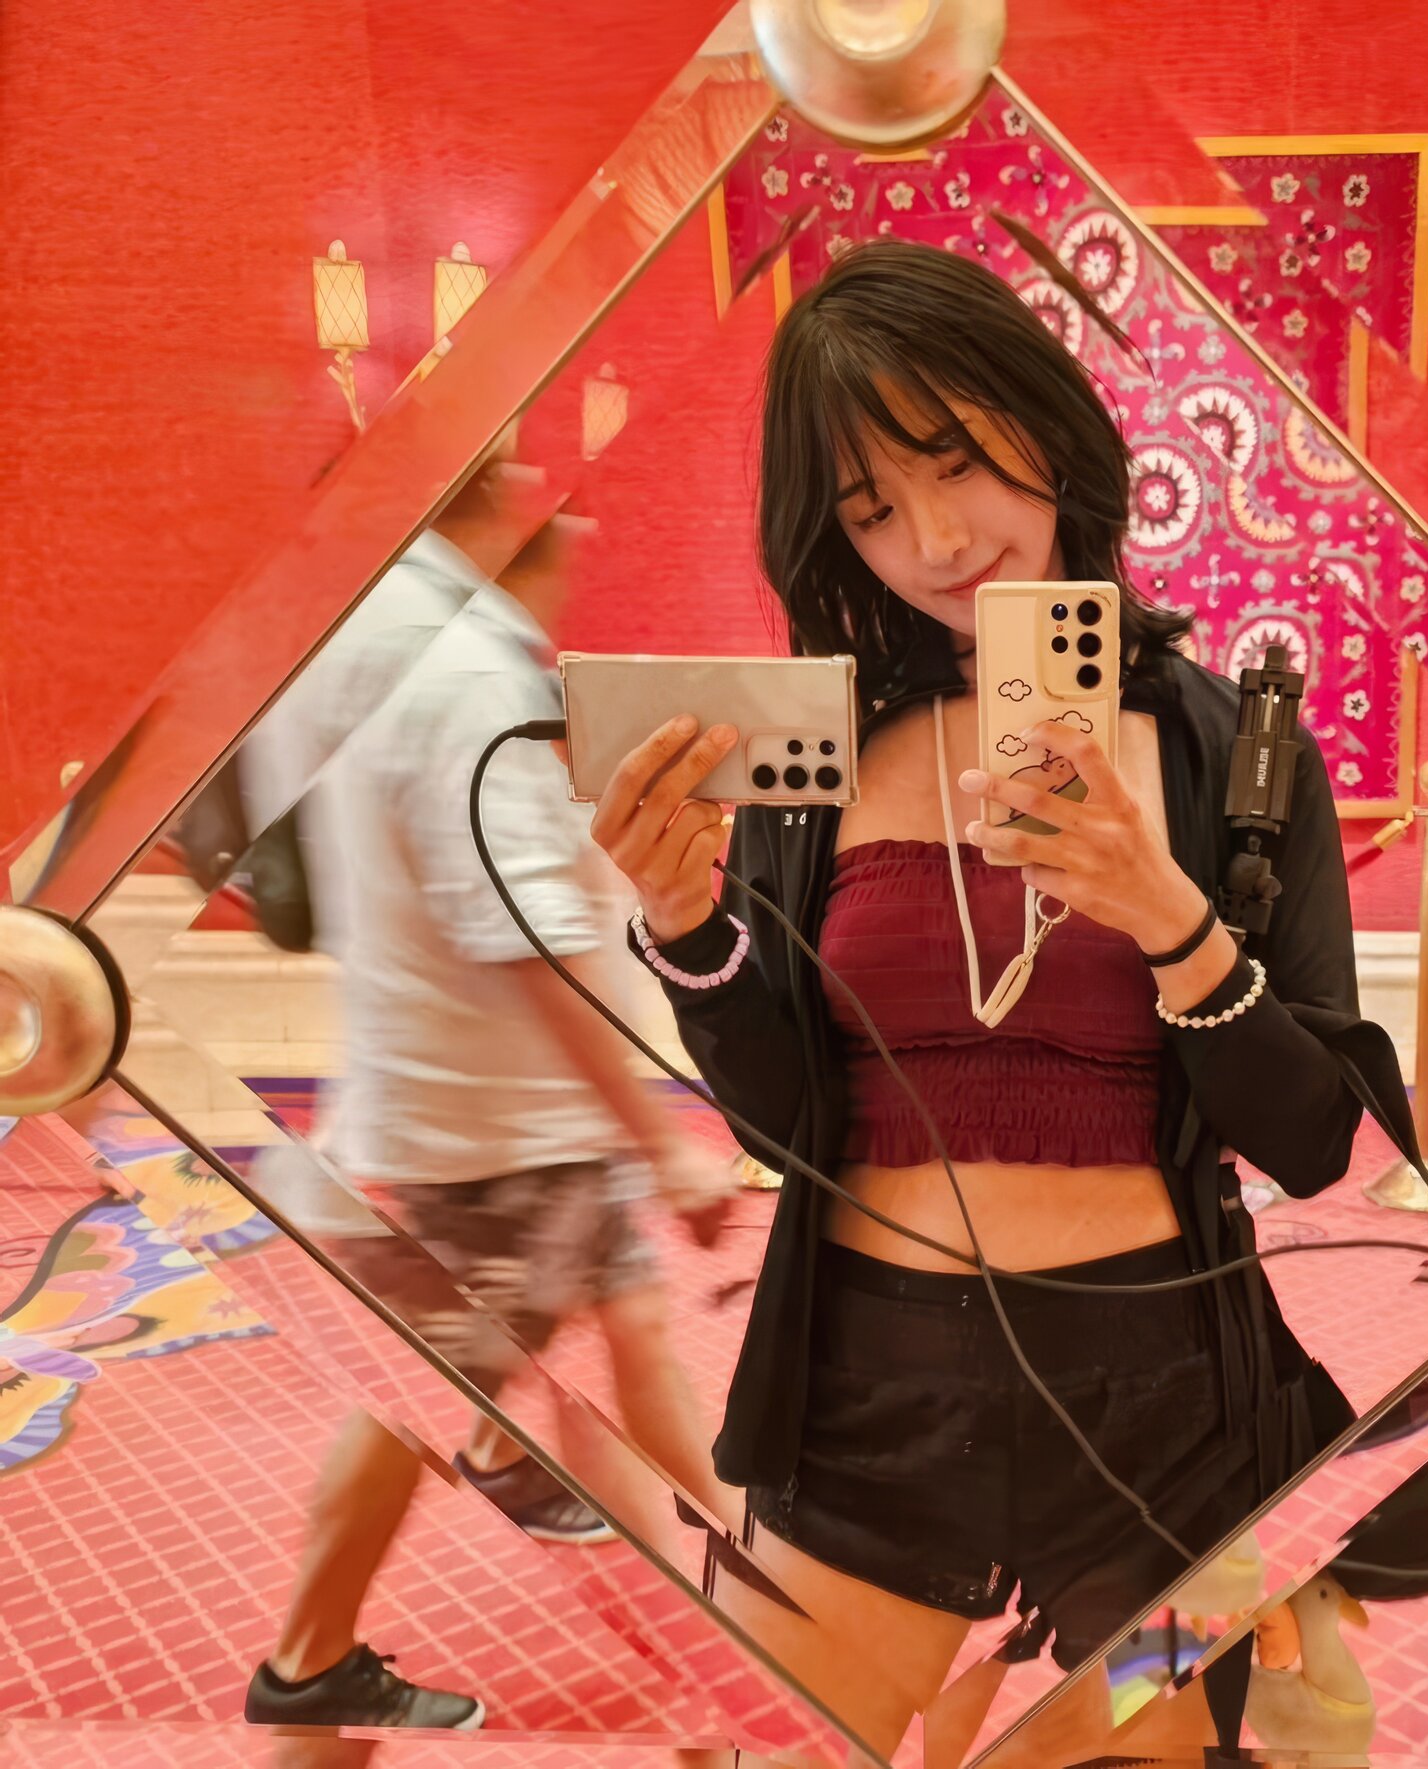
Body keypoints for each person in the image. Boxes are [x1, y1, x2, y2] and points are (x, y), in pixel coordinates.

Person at [591, 241, 1371, 1758]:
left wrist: (1169, 917)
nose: (936, 541)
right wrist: (686, 924)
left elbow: (1314, 1139)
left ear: (1044, 421)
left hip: (1164, 1410)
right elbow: (784, 1125)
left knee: (1144, 1742)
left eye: (954, 462)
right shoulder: (817, 758)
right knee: (774, 1745)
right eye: (871, 510)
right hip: (865, 1396)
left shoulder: (1228, 753)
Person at [244, 502, 732, 1734]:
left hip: (489, 1103)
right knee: (417, 1386)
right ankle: (307, 1660)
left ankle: (721, 1575)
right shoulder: (467, 672)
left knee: (629, 1320)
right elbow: (528, 938)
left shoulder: (382, 624)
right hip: (497, 1127)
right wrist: (662, 1138)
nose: (580, 522)